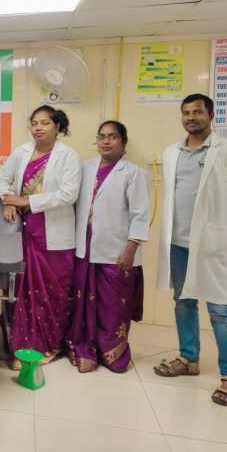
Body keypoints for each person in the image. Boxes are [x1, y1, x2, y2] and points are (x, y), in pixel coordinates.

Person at [153, 94, 227, 406]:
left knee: (220, 308)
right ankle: (188, 358)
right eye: (186, 112)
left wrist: (220, 225)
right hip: (178, 242)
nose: (191, 117)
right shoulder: (171, 152)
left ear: (210, 115)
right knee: (183, 302)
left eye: (197, 112)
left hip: (210, 242)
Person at [0, 105, 81, 366]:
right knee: (23, 289)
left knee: (53, 292)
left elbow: (69, 194)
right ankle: (22, 344)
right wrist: (9, 201)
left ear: (58, 126)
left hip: (55, 235)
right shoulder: (21, 152)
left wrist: (27, 201)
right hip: (25, 230)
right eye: (34, 123)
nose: (38, 128)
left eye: (45, 123)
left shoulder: (69, 156)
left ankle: (51, 344)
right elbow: (2, 178)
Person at [66, 121, 149, 374]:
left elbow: (140, 214)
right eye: (101, 136)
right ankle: (86, 350)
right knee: (84, 303)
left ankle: (113, 353)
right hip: (85, 245)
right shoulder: (85, 167)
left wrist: (130, 250)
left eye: (112, 137)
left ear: (123, 141)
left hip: (117, 249)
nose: (106, 141)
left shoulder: (133, 172)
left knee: (113, 305)